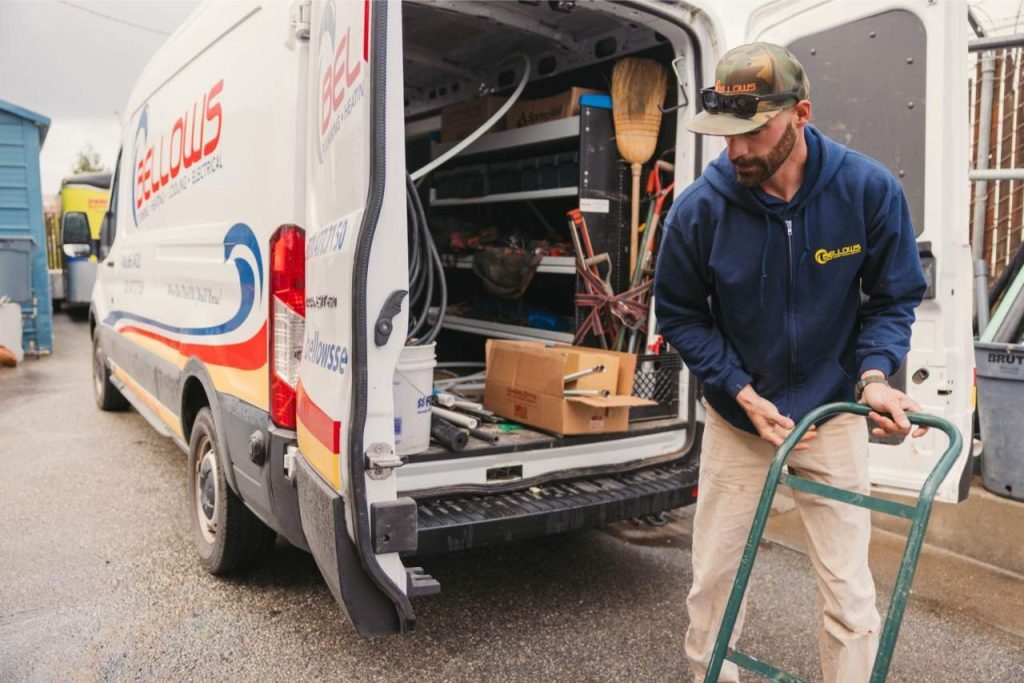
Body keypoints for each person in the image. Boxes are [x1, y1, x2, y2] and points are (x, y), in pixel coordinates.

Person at [653, 43, 928, 682]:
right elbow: (681, 314)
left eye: (754, 131)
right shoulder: (701, 208)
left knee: (849, 594)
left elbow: (893, 298)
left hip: (831, 413)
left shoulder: (866, 190)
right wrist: (737, 390)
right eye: (728, 135)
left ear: (800, 114)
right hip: (740, 418)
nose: (738, 150)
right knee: (716, 582)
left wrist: (876, 377)